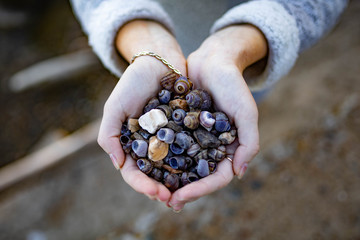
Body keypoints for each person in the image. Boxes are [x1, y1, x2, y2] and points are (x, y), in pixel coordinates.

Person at [70, 0, 348, 212]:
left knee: (246, 100)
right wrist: (143, 40)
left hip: (245, 56)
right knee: (240, 105)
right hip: (188, 54)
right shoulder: (181, 123)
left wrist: (241, 46)